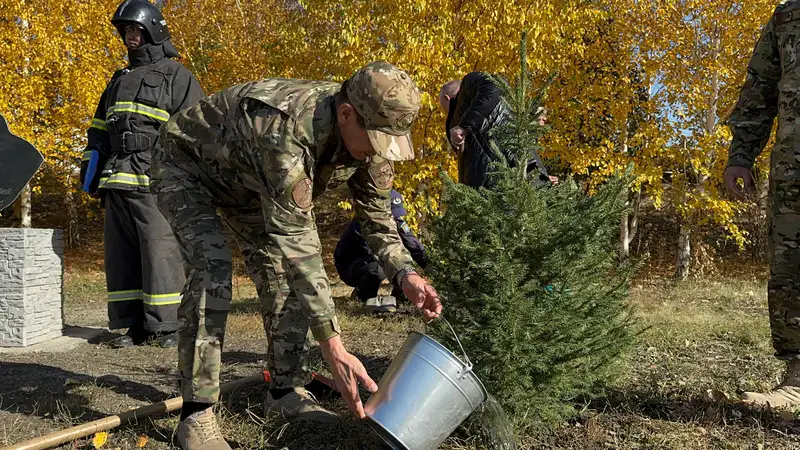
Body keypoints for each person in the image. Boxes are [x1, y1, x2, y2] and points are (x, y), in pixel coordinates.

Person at [150, 61, 442, 450]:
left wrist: (406, 274)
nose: (377, 150)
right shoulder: (285, 128)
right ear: (345, 114)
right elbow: (299, 244)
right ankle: (197, 414)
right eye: (374, 137)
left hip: (250, 184)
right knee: (212, 268)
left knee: (283, 280)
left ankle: (286, 393)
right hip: (186, 167)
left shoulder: (373, 136)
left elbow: (377, 220)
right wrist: (332, 344)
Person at [79, 0, 204, 349]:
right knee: (122, 254)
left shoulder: (178, 76)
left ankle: (167, 328)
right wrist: (90, 165)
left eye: (135, 29)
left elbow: (195, 130)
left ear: (153, 30)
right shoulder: (117, 81)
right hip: (117, 178)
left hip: (156, 179)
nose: (130, 36)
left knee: (159, 251)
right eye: (125, 30)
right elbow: (99, 128)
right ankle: (132, 325)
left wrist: (188, 178)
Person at [724, 0, 800, 409]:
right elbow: (759, 90)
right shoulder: (787, 17)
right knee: (792, 270)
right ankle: (798, 381)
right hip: (794, 172)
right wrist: (740, 155)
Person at [438, 72, 554, 188]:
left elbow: (495, 84)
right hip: (518, 176)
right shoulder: (502, 107)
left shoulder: (467, 86)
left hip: (500, 184)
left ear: (447, 98)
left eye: (445, 110)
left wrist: (463, 125)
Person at [334, 189, 428, 313]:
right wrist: (396, 266)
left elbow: (413, 244)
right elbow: (373, 252)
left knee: (407, 267)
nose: (394, 218)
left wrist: (429, 265)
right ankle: (362, 297)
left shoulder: (398, 222)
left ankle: (400, 299)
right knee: (379, 269)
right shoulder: (363, 223)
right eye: (391, 215)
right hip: (350, 265)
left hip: (372, 261)